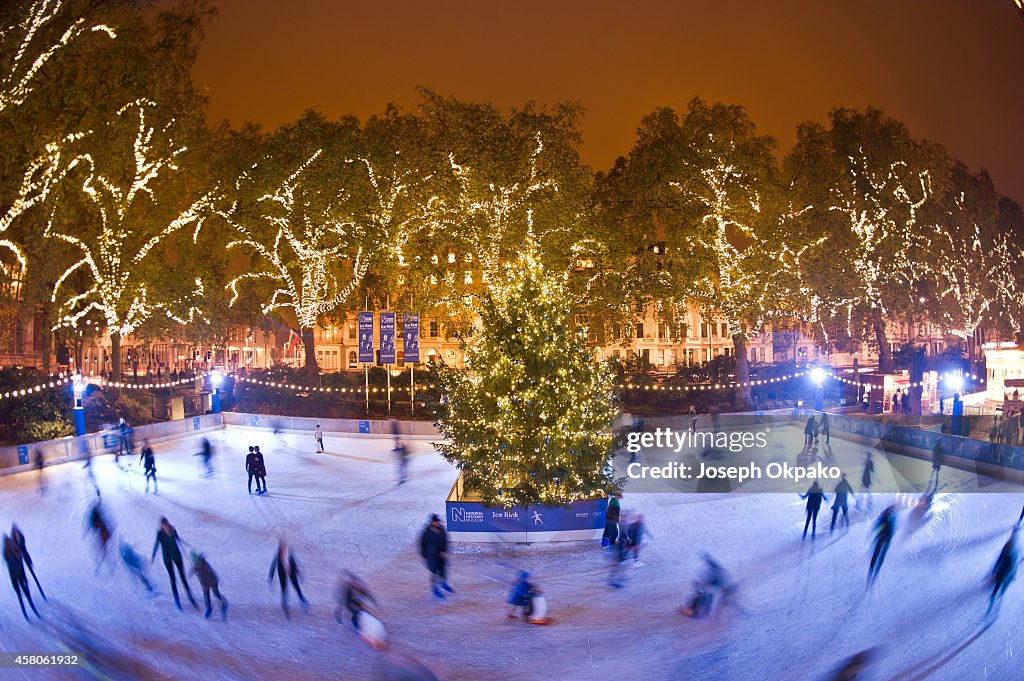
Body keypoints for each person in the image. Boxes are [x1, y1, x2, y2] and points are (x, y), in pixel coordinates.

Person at [150, 516, 197, 611]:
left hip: (176, 555)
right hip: (167, 558)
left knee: (182, 576)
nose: (166, 527)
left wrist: (186, 544)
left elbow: (178, 538)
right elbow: (156, 544)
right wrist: (153, 556)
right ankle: (177, 600)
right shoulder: (159, 533)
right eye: (164, 526)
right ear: (161, 526)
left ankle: (190, 597)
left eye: (167, 525)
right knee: (173, 578)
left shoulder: (172, 529)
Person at [3, 533, 40, 620]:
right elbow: (12, 562)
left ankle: (32, 608)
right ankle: (25, 613)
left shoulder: (15, 549)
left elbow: (20, 556)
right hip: (15, 577)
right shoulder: (7, 553)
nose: (10, 543)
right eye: (8, 542)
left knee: (26, 592)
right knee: (20, 594)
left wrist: (16, 550)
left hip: (19, 575)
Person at [269, 540, 309, 616]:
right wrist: (271, 577)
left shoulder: (290, 553)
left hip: (291, 573)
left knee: (297, 587)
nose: (284, 548)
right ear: (280, 548)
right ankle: (284, 603)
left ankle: (302, 601)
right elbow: (273, 566)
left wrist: (300, 574)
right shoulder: (277, 555)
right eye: (283, 547)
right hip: (282, 574)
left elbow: (295, 563)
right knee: (284, 589)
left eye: (285, 546)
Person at [419, 514, 453, 600]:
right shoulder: (426, 533)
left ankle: (443, 584)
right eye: (436, 521)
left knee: (443, 570)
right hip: (432, 556)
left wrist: (444, 551)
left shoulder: (441, 529)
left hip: (442, 555)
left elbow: (445, 540)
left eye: (438, 521)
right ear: (432, 522)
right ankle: (434, 589)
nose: (438, 523)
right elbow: (422, 545)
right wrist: (425, 555)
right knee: (434, 573)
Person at [189, 551, 228, 620]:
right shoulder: (196, 565)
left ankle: (223, 602)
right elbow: (194, 570)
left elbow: (209, 574)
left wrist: (205, 581)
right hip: (205, 582)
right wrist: (192, 571)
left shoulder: (205, 565)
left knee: (216, 593)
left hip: (212, 580)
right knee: (206, 595)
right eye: (195, 561)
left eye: (197, 561)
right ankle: (208, 608)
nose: (196, 563)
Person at [988, 528, 1018, 615]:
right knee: (995, 591)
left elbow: (1012, 567)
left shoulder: (1012, 554)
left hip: (1005, 576)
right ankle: (992, 607)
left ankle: (997, 607)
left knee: (1001, 591)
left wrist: (1009, 575)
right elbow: (1000, 559)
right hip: (1002, 575)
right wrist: (994, 570)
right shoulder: (1006, 550)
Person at [11, 525, 44, 601]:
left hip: (25, 556)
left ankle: (39, 589)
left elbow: (22, 547)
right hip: (19, 560)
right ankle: (27, 593)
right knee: (23, 576)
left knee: (32, 572)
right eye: (15, 531)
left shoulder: (20, 537)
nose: (16, 532)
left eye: (16, 531)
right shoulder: (13, 541)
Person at [868, 505, 897, 587]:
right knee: (878, 557)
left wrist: (878, 536)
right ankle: (873, 574)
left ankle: (872, 574)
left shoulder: (886, 518)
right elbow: (887, 530)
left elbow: (879, 528)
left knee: (877, 557)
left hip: (882, 539)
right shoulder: (889, 518)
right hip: (883, 540)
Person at [87, 500, 113, 570]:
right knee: (104, 550)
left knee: (103, 550)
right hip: (103, 533)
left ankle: (101, 564)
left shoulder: (96, 516)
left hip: (103, 532)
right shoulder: (97, 518)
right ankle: (102, 564)